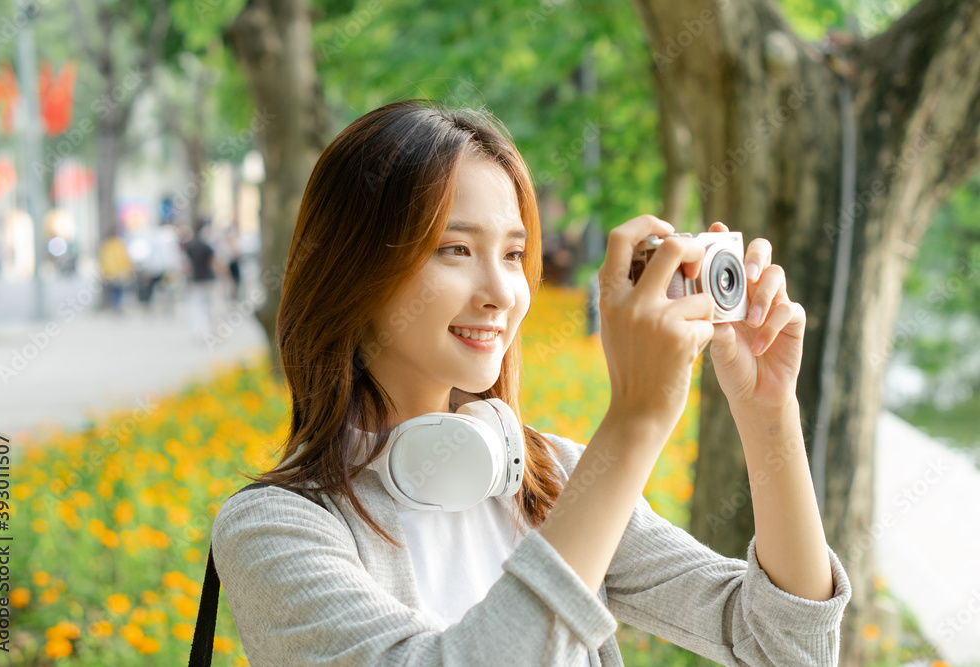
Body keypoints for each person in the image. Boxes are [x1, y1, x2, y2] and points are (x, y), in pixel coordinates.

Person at [209, 100, 852, 666]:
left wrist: (769, 411)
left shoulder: (553, 482)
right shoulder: (275, 532)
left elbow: (786, 647)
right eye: (454, 249)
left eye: (514, 255)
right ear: (352, 272)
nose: (500, 294)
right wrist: (632, 425)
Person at [183, 218, 218, 341]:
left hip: (196, 279)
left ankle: (199, 330)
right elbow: (214, 264)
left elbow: (188, 266)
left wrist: (186, 278)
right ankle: (209, 329)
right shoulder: (207, 247)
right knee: (208, 305)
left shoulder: (191, 247)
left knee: (197, 305)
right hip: (208, 279)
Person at [98, 233, 132, 315]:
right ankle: (117, 305)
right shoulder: (120, 245)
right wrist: (126, 270)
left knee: (113, 290)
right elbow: (124, 259)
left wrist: (104, 272)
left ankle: (115, 305)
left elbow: (103, 260)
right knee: (118, 290)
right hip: (118, 271)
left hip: (110, 272)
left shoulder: (106, 246)